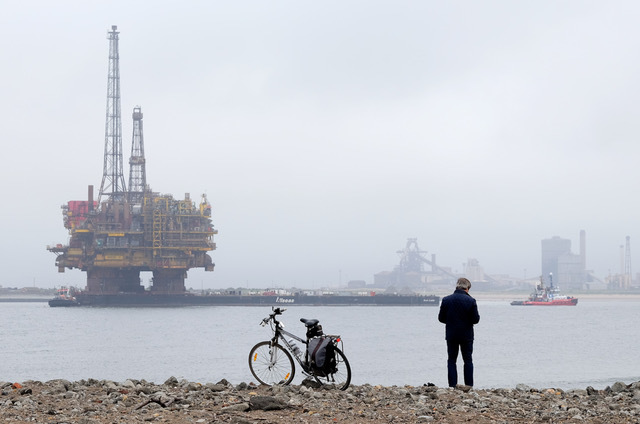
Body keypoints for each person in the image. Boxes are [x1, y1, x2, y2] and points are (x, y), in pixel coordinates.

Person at [438, 277, 480, 389]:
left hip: (451, 334)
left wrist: (451, 321)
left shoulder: (446, 300)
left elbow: (441, 318)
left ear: (457, 286)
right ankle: (469, 385)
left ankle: (452, 385)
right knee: (468, 360)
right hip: (466, 335)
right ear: (467, 289)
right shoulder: (471, 301)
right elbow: (476, 319)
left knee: (451, 360)